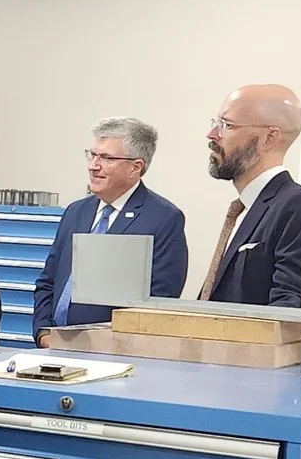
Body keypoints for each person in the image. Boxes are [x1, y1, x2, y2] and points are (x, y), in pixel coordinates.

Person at [31, 116, 188, 335]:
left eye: (106, 158)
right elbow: (48, 281)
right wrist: (43, 332)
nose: (93, 166)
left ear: (135, 167)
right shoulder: (76, 212)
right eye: (93, 155)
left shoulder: (163, 219)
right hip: (54, 346)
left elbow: (160, 300)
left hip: (111, 352)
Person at [196, 84, 301, 307]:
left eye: (227, 125)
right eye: (216, 123)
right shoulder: (244, 209)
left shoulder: (298, 206)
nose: (212, 135)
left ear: (269, 137)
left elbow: (290, 305)